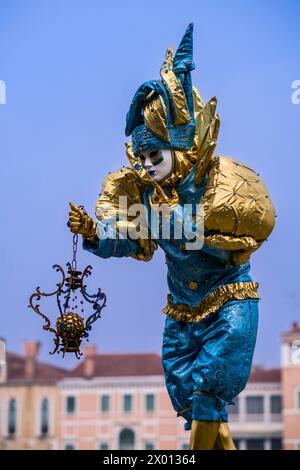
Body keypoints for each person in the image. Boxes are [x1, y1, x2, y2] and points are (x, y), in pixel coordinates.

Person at [68, 24, 275, 450]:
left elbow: (234, 229)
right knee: (200, 408)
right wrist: (95, 232)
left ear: (180, 149)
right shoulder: (145, 195)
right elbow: (129, 235)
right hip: (181, 312)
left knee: (207, 397)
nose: (145, 165)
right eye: (141, 157)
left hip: (229, 303)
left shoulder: (217, 181)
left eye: (154, 155)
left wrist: (183, 220)